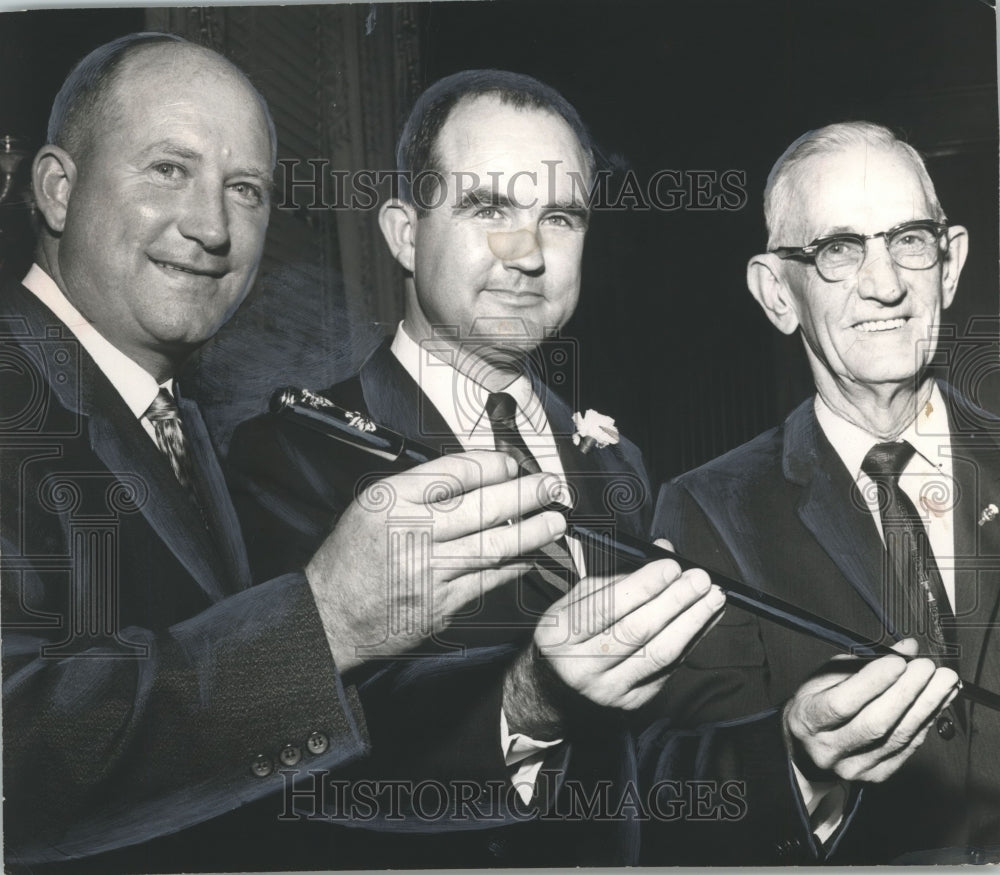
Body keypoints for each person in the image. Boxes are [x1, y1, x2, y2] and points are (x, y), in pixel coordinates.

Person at [0, 35, 573, 872]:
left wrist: (534, 697)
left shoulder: (174, 419)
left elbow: (254, 773)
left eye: (245, 190)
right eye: (169, 169)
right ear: (57, 187)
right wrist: (326, 619)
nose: (211, 226)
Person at [227, 69, 726, 866]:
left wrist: (797, 753)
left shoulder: (616, 462)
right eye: (488, 207)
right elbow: (277, 763)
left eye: (559, 216)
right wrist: (530, 702)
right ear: (403, 231)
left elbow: (644, 755)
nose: (527, 252)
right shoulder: (286, 454)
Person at [638, 121, 998, 864]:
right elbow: (674, 798)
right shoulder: (710, 511)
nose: (886, 283)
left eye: (908, 240)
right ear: (778, 293)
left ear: (950, 262)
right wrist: (795, 760)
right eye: (839, 249)